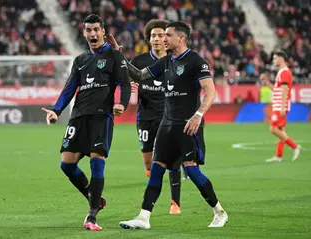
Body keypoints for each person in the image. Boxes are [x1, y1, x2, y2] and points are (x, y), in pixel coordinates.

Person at [117, 21, 228, 229]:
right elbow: (140, 76)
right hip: (166, 125)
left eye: (168, 35)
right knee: (157, 169)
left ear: (181, 38)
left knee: (192, 171)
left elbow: (211, 92)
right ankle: (143, 217)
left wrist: (198, 114)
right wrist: (119, 57)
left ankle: (219, 212)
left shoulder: (196, 61)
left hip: (187, 126)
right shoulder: (165, 61)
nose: (164, 39)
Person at [41, 14, 131, 231]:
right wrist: (56, 110)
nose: (92, 34)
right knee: (67, 163)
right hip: (79, 116)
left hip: (101, 116)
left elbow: (125, 83)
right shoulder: (80, 60)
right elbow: (69, 88)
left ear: (103, 32)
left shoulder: (114, 56)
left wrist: (122, 104)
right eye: (88, 30)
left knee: (96, 161)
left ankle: (91, 216)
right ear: (84, 33)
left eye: (96, 30)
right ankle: (95, 198)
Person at [109, 19, 184, 214]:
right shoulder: (139, 61)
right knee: (149, 162)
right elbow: (128, 79)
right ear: (148, 39)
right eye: (153, 36)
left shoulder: (174, 60)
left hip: (168, 117)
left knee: (171, 158)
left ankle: (175, 202)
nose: (157, 39)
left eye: (161, 35)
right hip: (145, 116)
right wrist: (119, 56)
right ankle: (152, 174)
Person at [260, 50, 301, 162]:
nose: (274, 60)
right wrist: (266, 81)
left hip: (280, 105)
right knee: (280, 129)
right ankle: (278, 156)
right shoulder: (281, 72)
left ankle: (295, 147)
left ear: (281, 58)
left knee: (273, 129)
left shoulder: (284, 72)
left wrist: (282, 107)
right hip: (278, 104)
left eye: (275, 58)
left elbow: (284, 90)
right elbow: (276, 89)